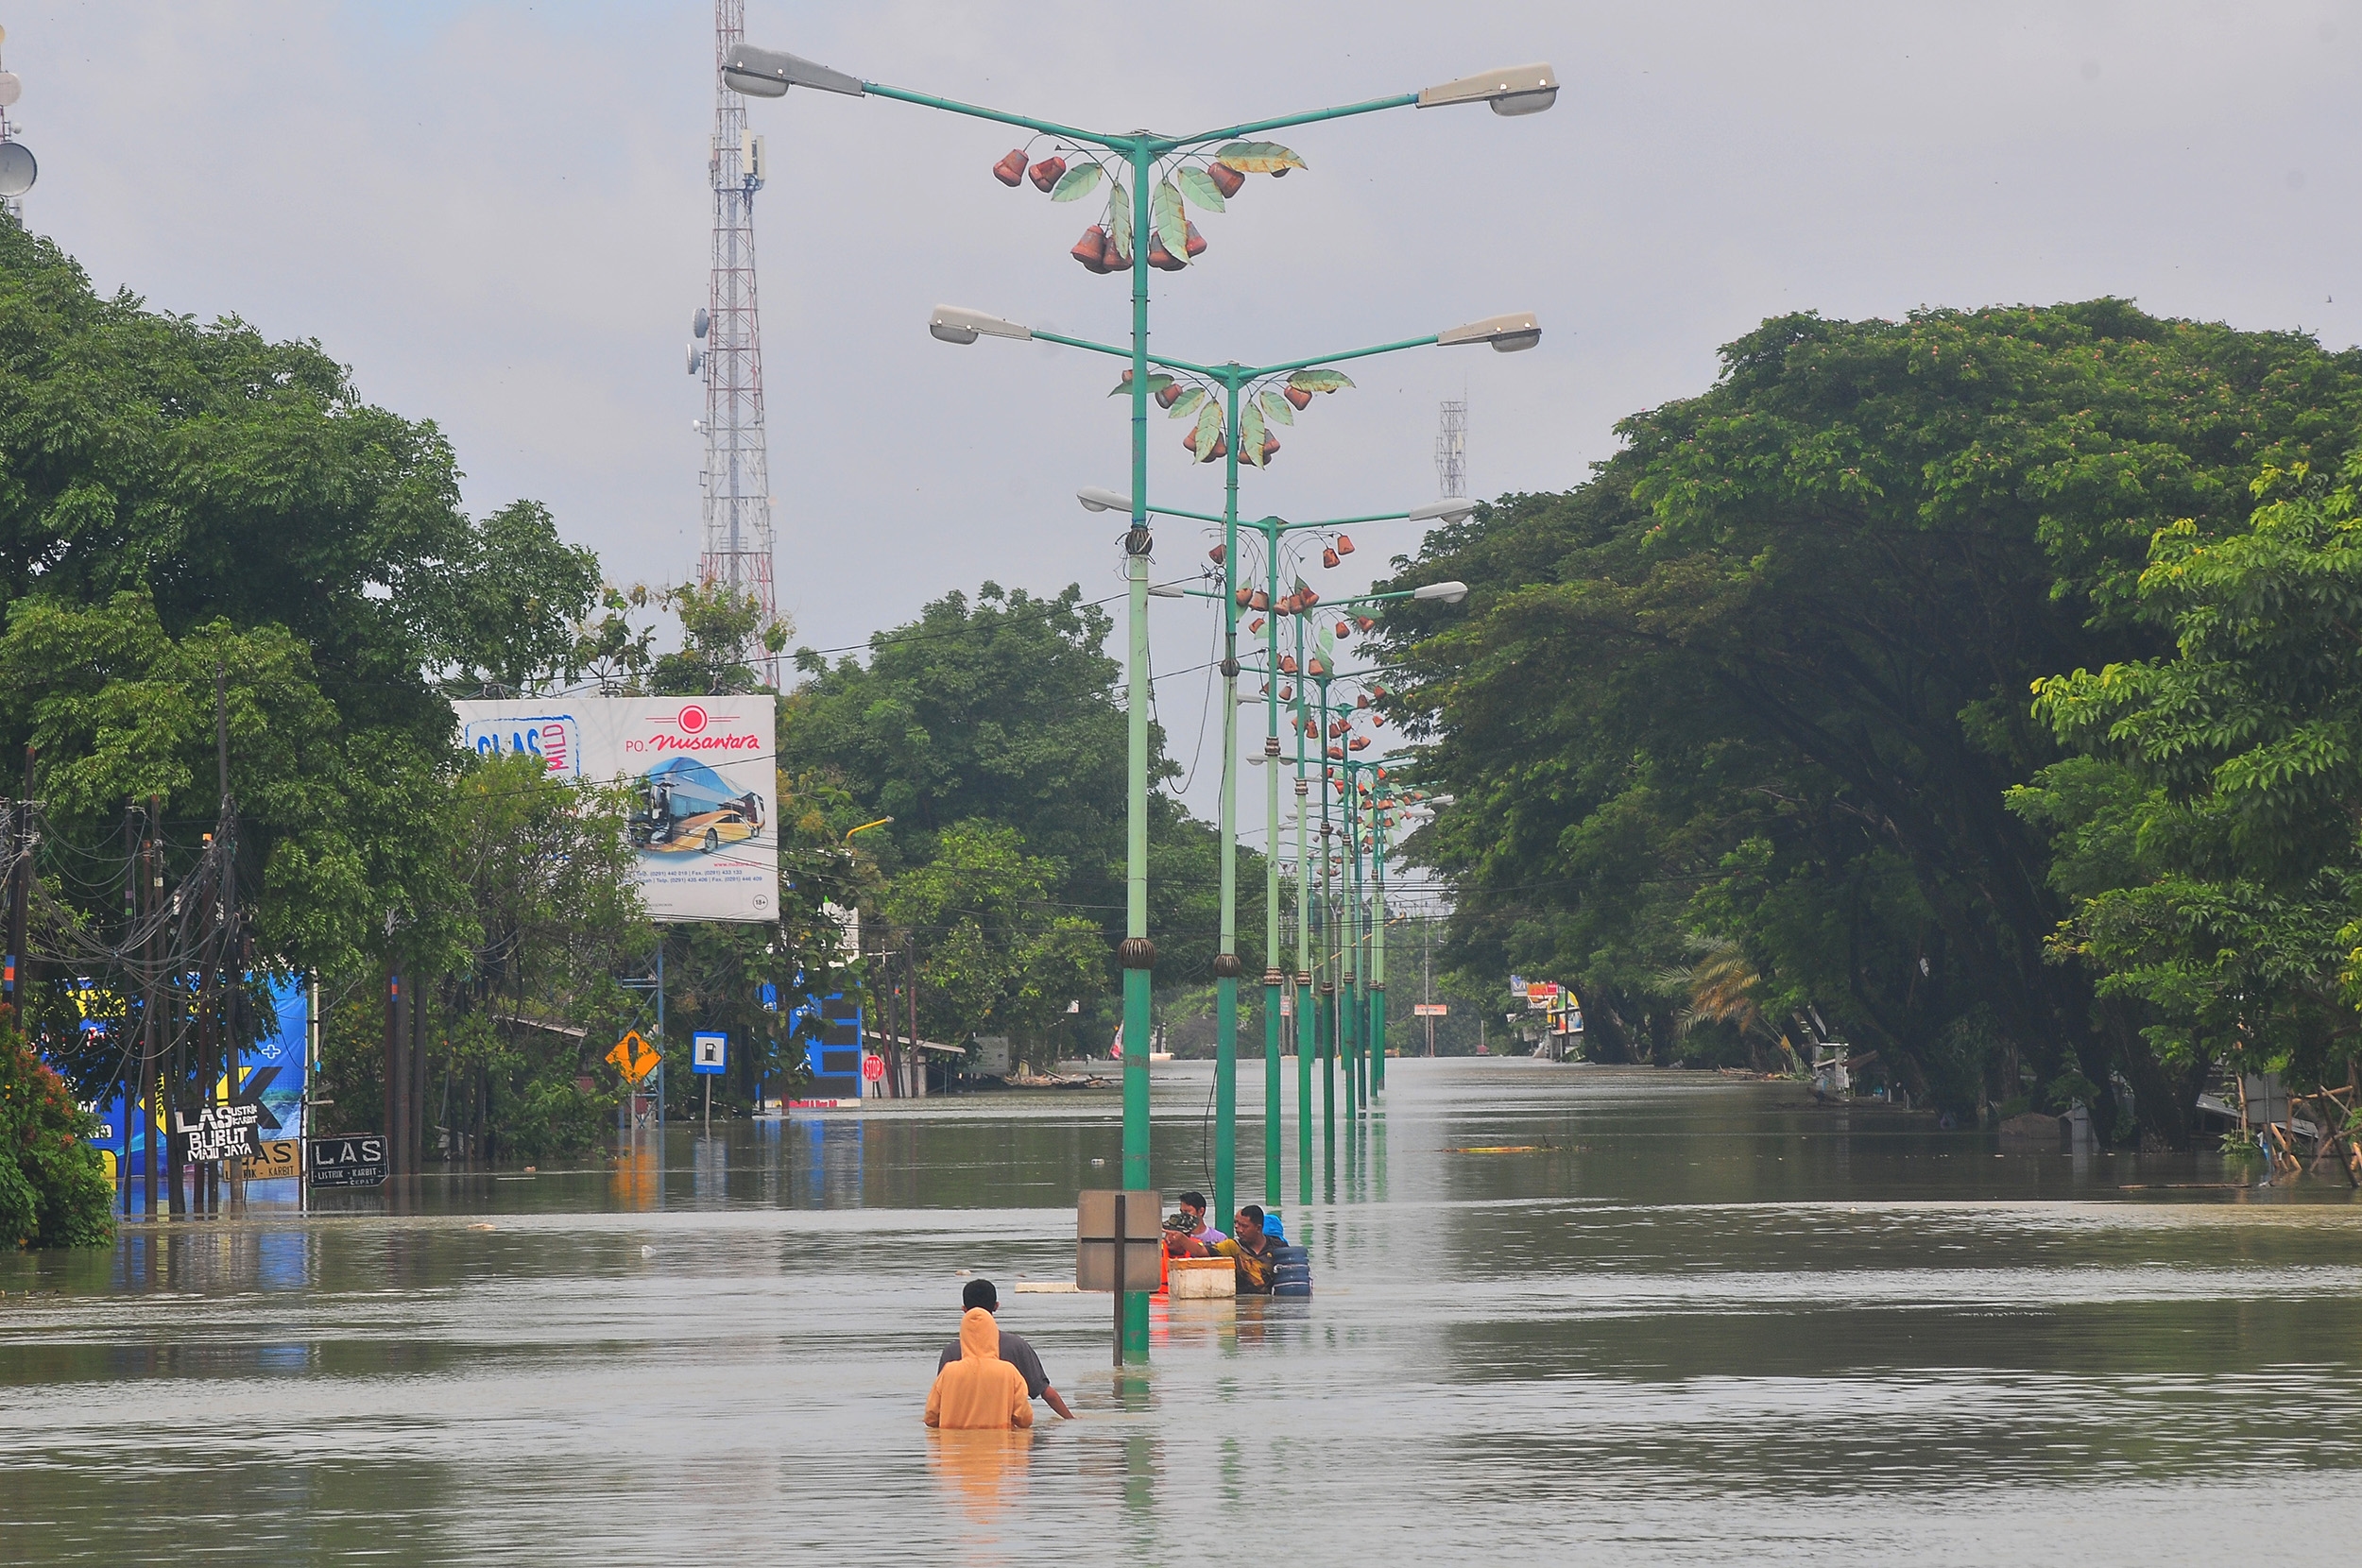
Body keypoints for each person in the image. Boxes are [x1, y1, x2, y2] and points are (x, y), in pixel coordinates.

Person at [936, 1279, 1075, 1420]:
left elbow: (939, 1403)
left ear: (964, 1309)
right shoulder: (1016, 1347)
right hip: (1004, 1431)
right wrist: (1072, 1420)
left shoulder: (951, 1352)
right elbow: (1046, 1394)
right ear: (996, 1306)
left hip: (959, 1437)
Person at [926, 1306, 1033, 1430]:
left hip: (954, 1447)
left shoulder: (948, 1371)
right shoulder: (1008, 1371)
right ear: (993, 1333)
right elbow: (1024, 1419)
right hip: (999, 1445)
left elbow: (931, 1418)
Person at [1214, 1204, 1281, 1294]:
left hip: (1268, 1304)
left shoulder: (1277, 1247)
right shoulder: (1233, 1246)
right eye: (1237, 1224)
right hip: (1241, 1303)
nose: (1239, 1230)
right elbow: (1200, 1251)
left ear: (1258, 1228)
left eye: (1244, 1226)